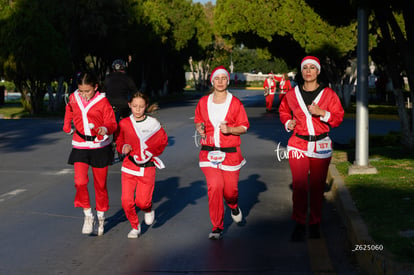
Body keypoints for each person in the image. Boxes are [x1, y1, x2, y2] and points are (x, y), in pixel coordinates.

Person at [279, 56, 344, 242]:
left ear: (318, 71)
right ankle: (299, 222)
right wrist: (287, 122)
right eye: (305, 68)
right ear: (301, 71)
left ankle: (315, 222)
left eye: (312, 68)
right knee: (299, 185)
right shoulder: (292, 94)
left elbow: (338, 118)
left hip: (321, 144)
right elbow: (283, 110)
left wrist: (322, 113)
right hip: (298, 143)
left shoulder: (329, 95)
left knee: (316, 187)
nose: (308, 71)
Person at [194, 65, 250, 240]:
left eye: (223, 78)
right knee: (215, 186)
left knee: (230, 191)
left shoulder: (235, 103)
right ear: (212, 81)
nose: (220, 82)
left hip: (230, 153)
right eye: (217, 78)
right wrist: (200, 128)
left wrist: (230, 130)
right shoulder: (203, 102)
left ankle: (233, 205)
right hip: (208, 153)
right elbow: (198, 120)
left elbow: (244, 127)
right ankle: (217, 226)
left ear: (228, 81)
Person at [63, 71, 118, 236]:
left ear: (95, 87)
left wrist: (105, 129)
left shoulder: (103, 102)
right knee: (80, 182)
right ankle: (88, 214)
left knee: (100, 185)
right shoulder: (74, 97)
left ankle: (101, 215)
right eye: (81, 91)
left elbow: (112, 123)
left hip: (100, 145)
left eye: (87, 91)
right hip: (80, 144)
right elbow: (69, 109)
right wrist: (67, 124)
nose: (84, 95)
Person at [115, 92, 168, 238]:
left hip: (147, 167)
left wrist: (151, 151)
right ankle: (135, 226)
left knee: (142, 202)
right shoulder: (124, 123)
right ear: (129, 106)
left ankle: (148, 209)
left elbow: (162, 141)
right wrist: (123, 147)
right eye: (134, 106)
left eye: (141, 106)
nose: (137, 109)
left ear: (146, 107)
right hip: (129, 166)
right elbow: (119, 141)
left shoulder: (153, 124)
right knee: (126, 201)